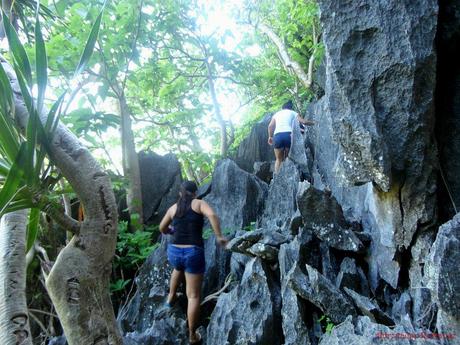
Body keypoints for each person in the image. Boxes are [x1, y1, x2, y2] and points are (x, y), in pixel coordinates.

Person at [159, 180, 227, 344]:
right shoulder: (198, 203)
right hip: (193, 252)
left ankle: (171, 297)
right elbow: (212, 215)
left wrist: (171, 230)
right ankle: (192, 335)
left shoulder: (174, 208)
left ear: (180, 193)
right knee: (194, 296)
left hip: (174, 251)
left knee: (177, 267)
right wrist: (218, 236)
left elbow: (162, 227)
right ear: (195, 193)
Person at [267, 100, 315, 173]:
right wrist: (315, 123)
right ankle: (288, 175)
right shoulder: (293, 112)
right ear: (290, 108)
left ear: (282, 108)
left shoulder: (276, 114)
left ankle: (277, 177)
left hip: (278, 136)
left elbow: (270, 126)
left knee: (278, 159)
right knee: (287, 157)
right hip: (288, 135)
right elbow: (304, 122)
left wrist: (270, 137)